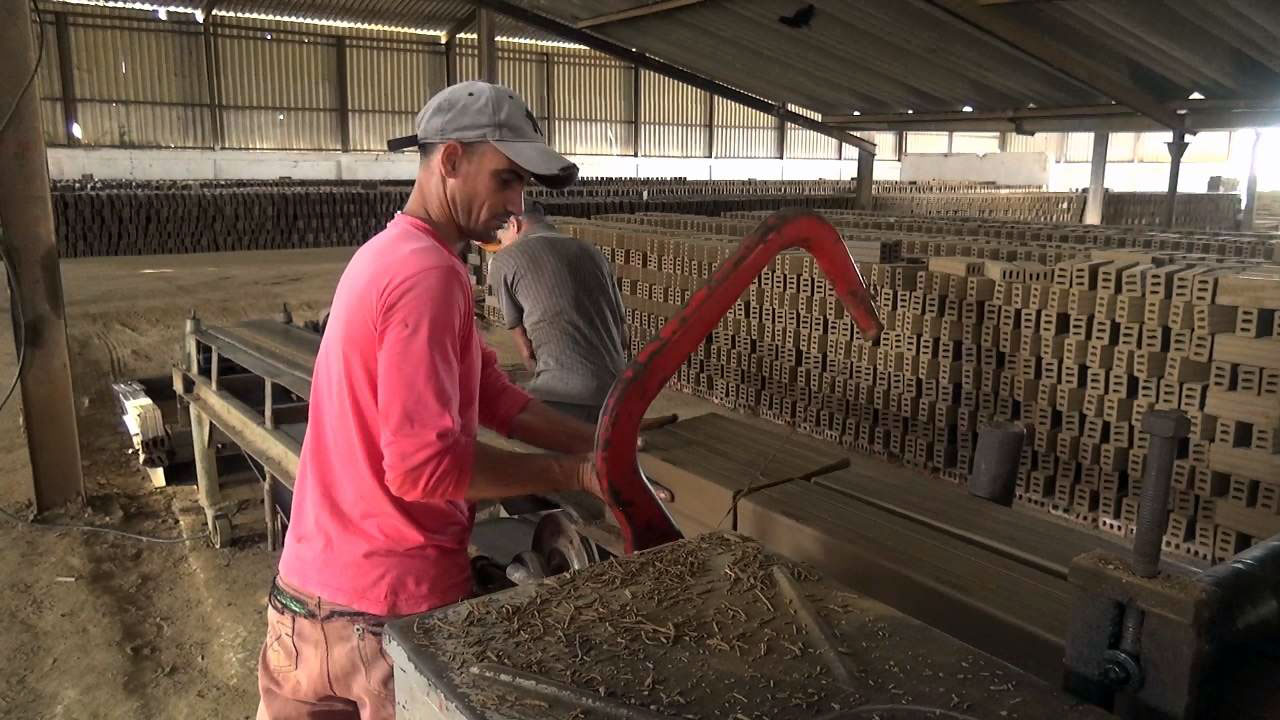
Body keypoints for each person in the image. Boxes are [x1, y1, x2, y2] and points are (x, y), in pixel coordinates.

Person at [255, 81, 608, 719]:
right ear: (449, 160)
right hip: (384, 624)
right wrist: (574, 475)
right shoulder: (429, 276)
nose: (516, 203)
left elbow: (496, 398)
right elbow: (424, 469)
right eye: (505, 180)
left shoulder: (389, 254)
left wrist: (600, 445)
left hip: (304, 610)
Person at [488, 202, 628, 423]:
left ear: (514, 225)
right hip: (618, 394)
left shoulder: (505, 260)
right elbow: (623, 336)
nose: (501, 243)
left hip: (564, 397)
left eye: (501, 236)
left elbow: (526, 351)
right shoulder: (593, 252)